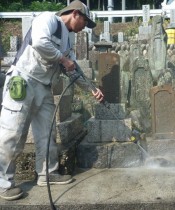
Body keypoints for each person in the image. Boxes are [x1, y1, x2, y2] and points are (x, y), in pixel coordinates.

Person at [0, 0, 103, 201]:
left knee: (47, 134)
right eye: (85, 21)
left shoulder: (68, 41)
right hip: (24, 80)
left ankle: (47, 173)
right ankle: (3, 182)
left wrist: (92, 90)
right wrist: (64, 60)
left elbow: (74, 71)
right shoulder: (48, 19)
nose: (84, 27)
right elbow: (39, 42)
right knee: (13, 133)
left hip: (44, 87)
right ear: (75, 14)